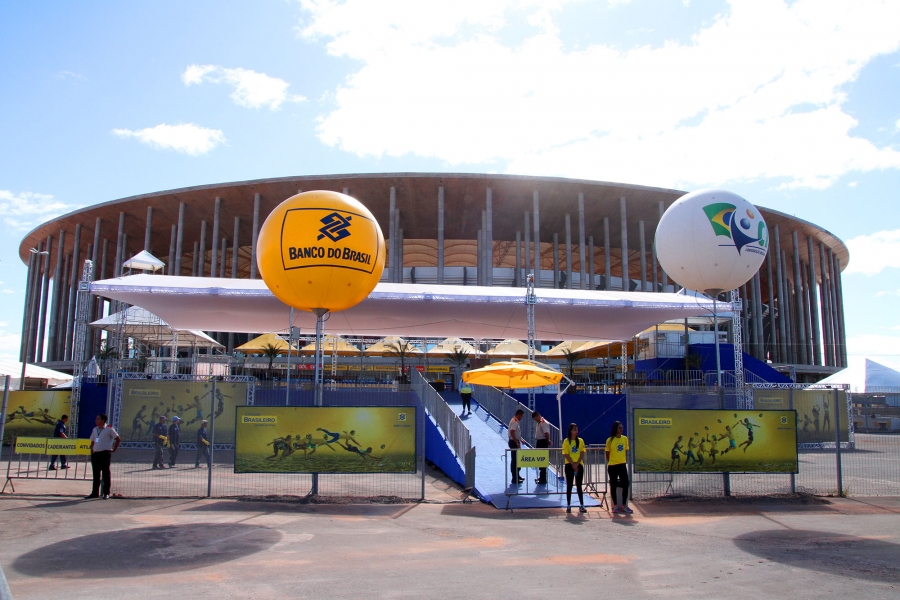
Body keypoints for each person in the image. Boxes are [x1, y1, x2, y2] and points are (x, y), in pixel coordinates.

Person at [85, 413, 119, 499]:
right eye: (96, 419)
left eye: (98, 419)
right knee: (96, 474)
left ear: (103, 420)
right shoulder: (95, 429)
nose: (96, 420)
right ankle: (94, 492)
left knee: (105, 473)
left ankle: (106, 492)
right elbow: (92, 440)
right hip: (96, 454)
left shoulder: (109, 429)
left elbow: (118, 438)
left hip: (104, 453)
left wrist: (114, 449)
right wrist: (91, 448)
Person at [605, 420, 631, 514]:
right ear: (616, 429)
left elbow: (626, 450)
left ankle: (624, 505)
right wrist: (611, 461)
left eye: (622, 427)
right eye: (620, 427)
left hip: (622, 464)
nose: (622, 429)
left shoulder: (624, 439)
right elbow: (607, 453)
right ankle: (615, 505)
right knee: (613, 484)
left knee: (625, 483)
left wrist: (622, 460)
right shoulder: (610, 440)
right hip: (613, 465)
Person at [562, 423, 586, 513]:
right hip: (569, 465)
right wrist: (573, 464)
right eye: (574, 430)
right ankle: (568, 505)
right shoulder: (566, 441)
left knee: (579, 485)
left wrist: (577, 464)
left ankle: (582, 505)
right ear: (570, 431)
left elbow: (582, 452)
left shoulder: (580, 441)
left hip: (579, 464)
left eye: (577, 430)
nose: (576, 431)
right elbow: (566, 454)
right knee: (569, 485)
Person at [532, 411, 551, 485]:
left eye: (535, 419)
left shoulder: (543, 422)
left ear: (537, 416)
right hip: (540, 442)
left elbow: (546, 433)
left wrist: (548, 440)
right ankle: (541, 477)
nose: (535, 420)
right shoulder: (539, 423)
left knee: (542, 460)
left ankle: (543, 479)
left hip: (542, 442)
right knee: (540, 460)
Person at [508, 409, 525, 484]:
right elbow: (512, 432)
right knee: (515, 460)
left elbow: (516, 433)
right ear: (519, 415)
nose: (522, 418)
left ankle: (517, 475)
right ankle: (514, 478)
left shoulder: (515, 421)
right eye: (521, 416)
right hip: (513, 442)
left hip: (515, 441)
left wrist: (520, 439)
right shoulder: (514, 422)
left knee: (517, 460)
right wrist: (516, 442)